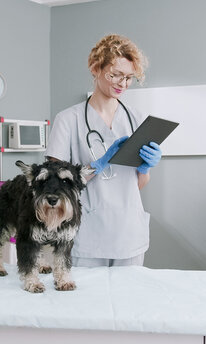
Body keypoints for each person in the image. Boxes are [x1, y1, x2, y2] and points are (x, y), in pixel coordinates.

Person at [45, 34, 162, 267]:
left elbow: (135, 184)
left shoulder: (137, 119)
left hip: (129, 233)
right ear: (95, 68)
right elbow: (54, 185)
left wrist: (145, 168)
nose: (122, 83)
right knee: (87, 301)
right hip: (88, 233)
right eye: (115, 75)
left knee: (128, 298)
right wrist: (97, 165)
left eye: (129, 78)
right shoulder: (68, 119)